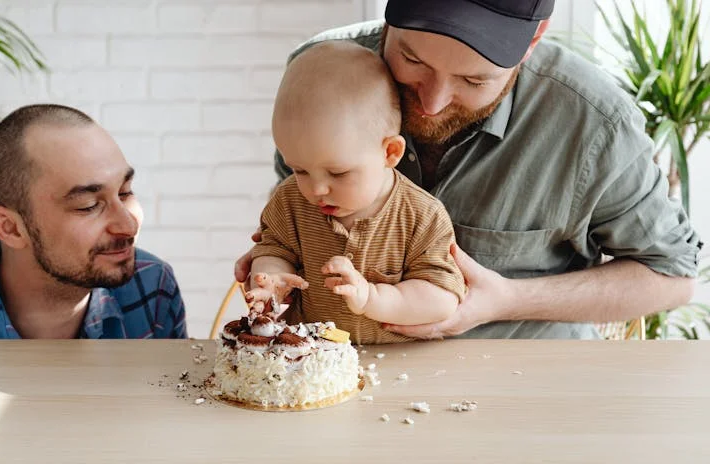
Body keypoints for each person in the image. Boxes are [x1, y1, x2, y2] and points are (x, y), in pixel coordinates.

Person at [236, 0, 703, 340]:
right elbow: (298, 219)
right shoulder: (321, 75)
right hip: (338, 378)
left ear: (532, 40)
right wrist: (278, 260)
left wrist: (509, 298)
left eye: (474, 78)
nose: (432, 101)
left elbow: (674, 276)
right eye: (412, 59)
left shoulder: (594, 123)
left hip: (522, 394)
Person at [244, 40, 465, 344]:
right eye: (300, 170)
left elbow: (442, 298)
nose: (317, 189)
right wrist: (271, 281)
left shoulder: (422, 215)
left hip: (399, 368)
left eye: (339, 173)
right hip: (309, 362)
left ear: (390, 152)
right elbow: (273, 249)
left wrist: (372, 297)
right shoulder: (290, 200)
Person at [0, 104, 187, 339]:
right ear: (11, 228)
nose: (128, 226)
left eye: (125, 192)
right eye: (89, 205)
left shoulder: (153, 288)